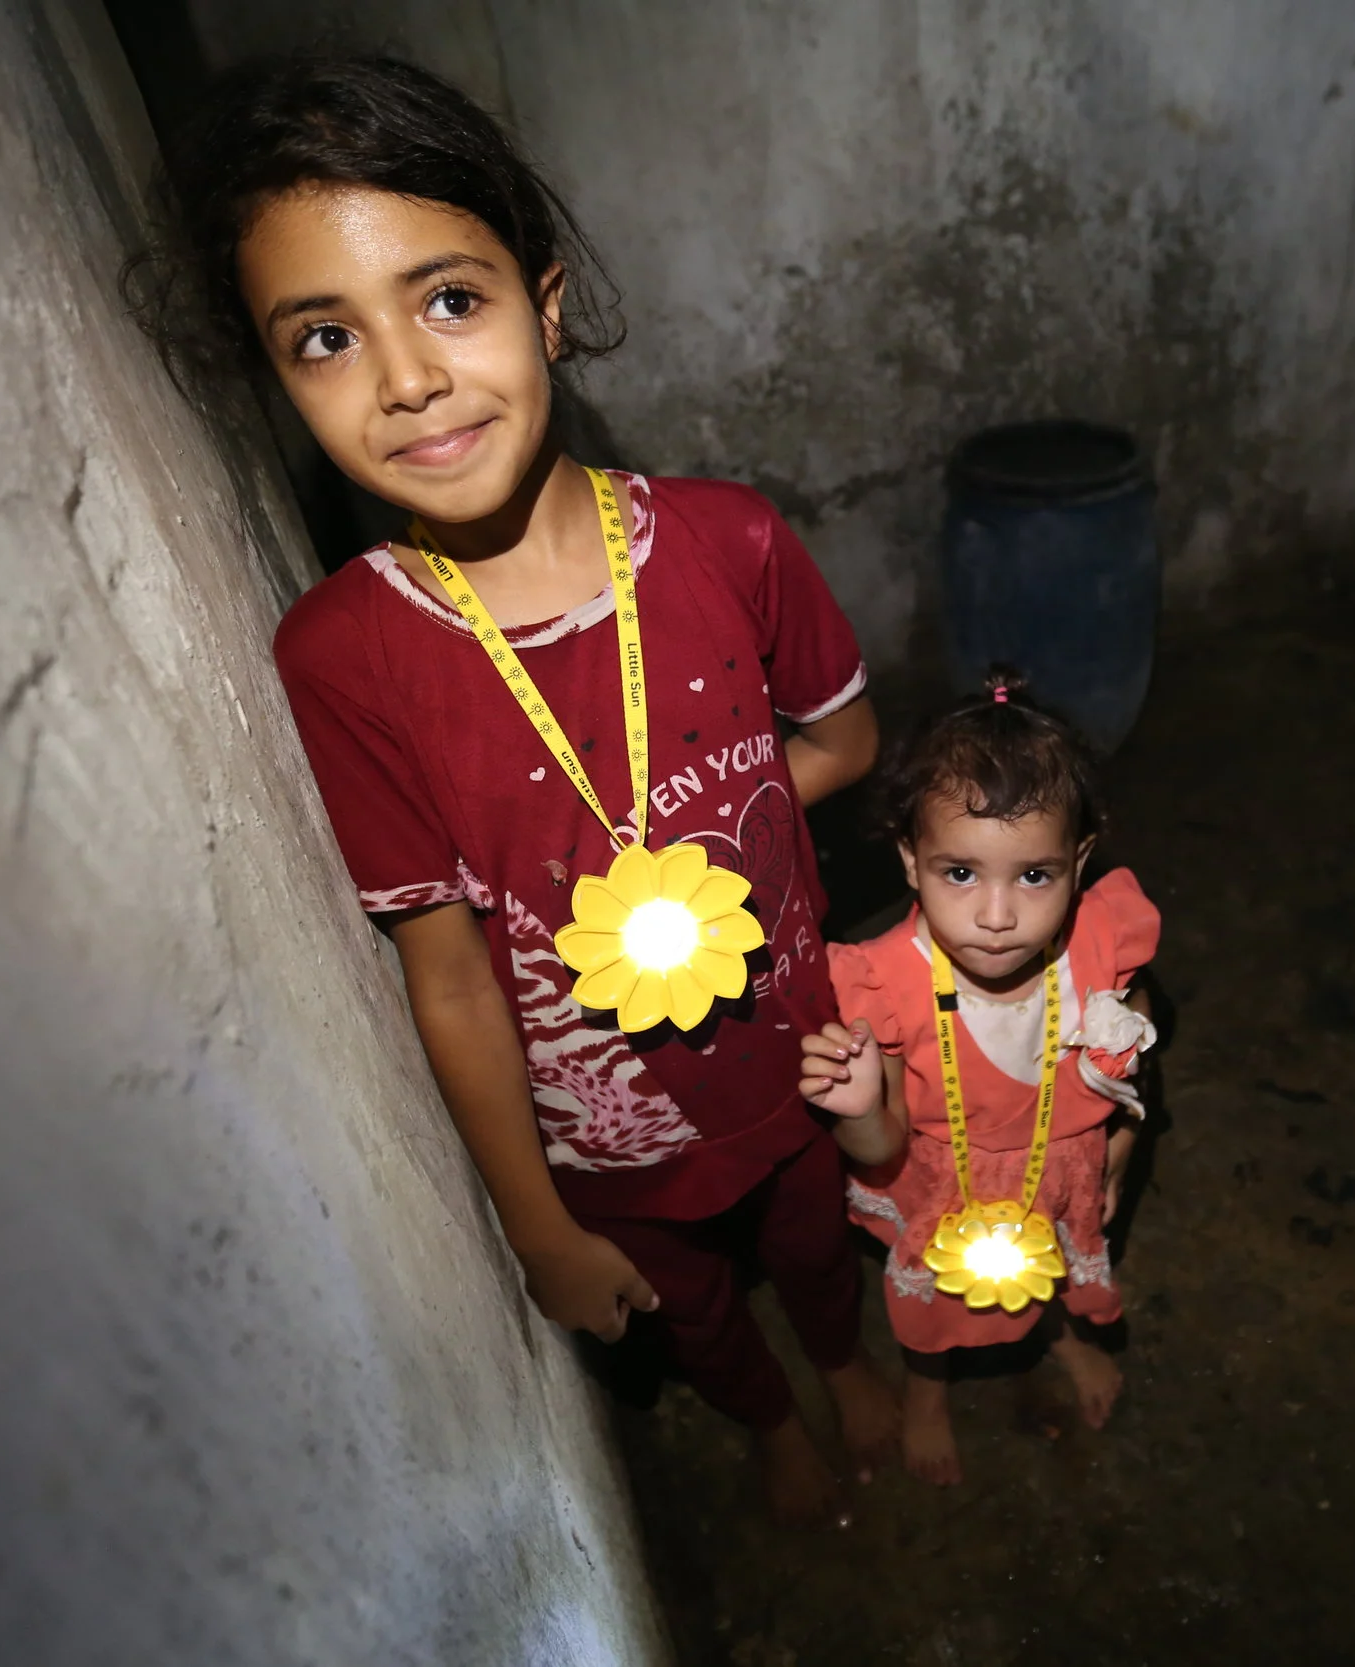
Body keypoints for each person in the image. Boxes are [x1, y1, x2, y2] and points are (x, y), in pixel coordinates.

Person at [142, 55, 899, 1524]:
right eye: (321, 338)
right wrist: (536, 1218)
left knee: (816, 1238)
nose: (408, 377)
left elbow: (849, 740)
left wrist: (724, 830)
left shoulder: (730, 541)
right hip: (603, 1132)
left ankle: (846, 1361)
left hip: (800, 1056)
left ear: (543, 301)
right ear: (275, 381)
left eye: (447, 298)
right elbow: (455, 979)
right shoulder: (342, 655)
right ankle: (764, 1419)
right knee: (689, 1300)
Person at [800, 673, 1159, 1485]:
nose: (996, 915)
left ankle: (1060, 1334)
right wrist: (855, 1107)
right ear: (908, 858)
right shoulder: (883, 987)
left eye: (1034, 876)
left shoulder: (1106, 941)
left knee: (1055, 1261)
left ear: (1079, 861)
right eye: (960, 873)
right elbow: (882, 1145)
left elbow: (1137, 1061)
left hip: (1061, 1167)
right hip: (946, 1181)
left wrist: (1124, 1148)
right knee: (937, 1309)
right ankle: (926, 1391)